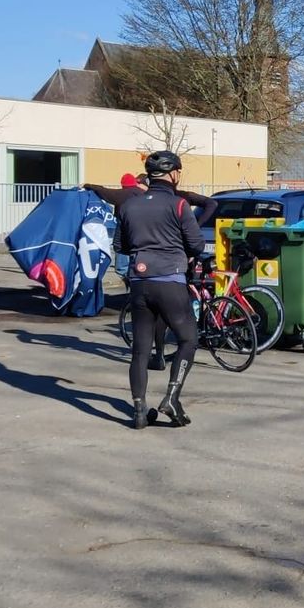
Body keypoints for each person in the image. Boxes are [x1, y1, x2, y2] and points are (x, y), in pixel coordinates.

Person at [84, 172, 215, 372]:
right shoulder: (180, 198)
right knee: (181, 322)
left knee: (161, 318)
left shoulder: (152, 201)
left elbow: (121, 242)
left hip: (155, 270)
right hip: (175, 266)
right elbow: (211, 205)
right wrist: (192, 231)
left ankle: (159, 356)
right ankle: (165, 361)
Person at [116, 151, 205, 429]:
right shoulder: (179, 205)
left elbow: (122, 246)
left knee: (140, 350)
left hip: (140, 282)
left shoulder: (130, 206)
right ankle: (171, 398)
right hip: (170, 279)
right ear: (174, 174)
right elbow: (197, 246)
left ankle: (139, 410)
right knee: (188, 338)